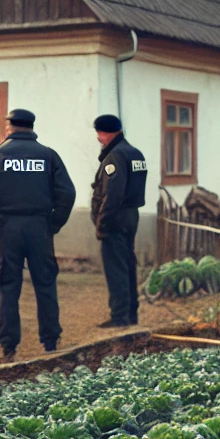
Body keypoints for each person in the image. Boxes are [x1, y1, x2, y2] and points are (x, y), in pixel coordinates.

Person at [0, 108, 75, 362]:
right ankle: (51, 344)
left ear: (10, 128)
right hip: (40, 227)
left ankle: (8, 349)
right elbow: (67, 193)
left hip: (8, 229)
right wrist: (53, 223)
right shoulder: (48, 155)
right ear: (31, 127)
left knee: (8, 287)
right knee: (46, 284)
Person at [90, 114, 148, 328]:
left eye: (99, 133)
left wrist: (102, 223)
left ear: (107, 132)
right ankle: (131, 313)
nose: (98, 138)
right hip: (131, 215)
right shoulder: (135, 153)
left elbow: (113, 195)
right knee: (127, 264)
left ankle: (120, 316)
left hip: (116, 217)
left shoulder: (115, 156)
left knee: (116, 267)